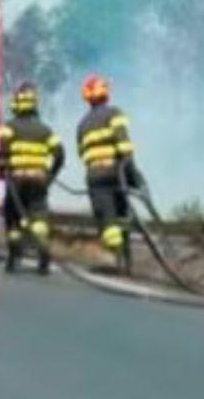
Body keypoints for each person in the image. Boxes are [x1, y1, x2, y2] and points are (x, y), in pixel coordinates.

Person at [0, 81, 64, 275]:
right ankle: (43, 250)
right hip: (38, 179)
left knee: (13, 218)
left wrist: (2, 172)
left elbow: (1, 154)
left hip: (16, 179)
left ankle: (13, 257)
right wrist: (50, 176)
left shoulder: (8, 128)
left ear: (16, 105)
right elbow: (60, 154)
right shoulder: (45, 130)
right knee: (39, 216)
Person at [76, 74, 142, 265]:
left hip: (95, 176)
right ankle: (126, 260)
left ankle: (115, 258)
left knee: (106, 220)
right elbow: (124, 147)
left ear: (87, 97)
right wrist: (134, 177)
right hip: (117, 172)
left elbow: (83, 155)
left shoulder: (82, 125)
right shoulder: (115, 114)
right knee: (122, 215)